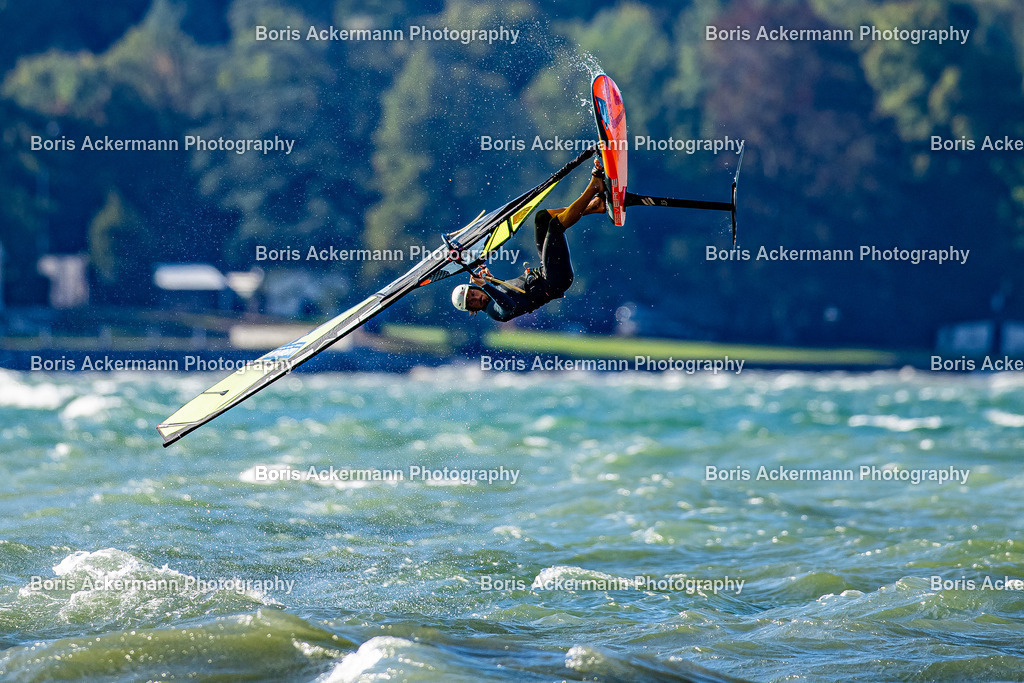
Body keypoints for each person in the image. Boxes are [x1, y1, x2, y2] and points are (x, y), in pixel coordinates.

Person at [451, 158, 606, 321]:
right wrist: (486, 285)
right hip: (554, 281)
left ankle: (594, 206)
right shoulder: (494, 312)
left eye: (472, 294)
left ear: (473, 287)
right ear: (472, 310)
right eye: (471, 302)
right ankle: (594, 186)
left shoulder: (493, 292)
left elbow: (510, 291)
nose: (476, 298)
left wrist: (492, 280)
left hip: (544, 273)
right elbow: (508, 305)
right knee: (555, 227)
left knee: (542, 218)